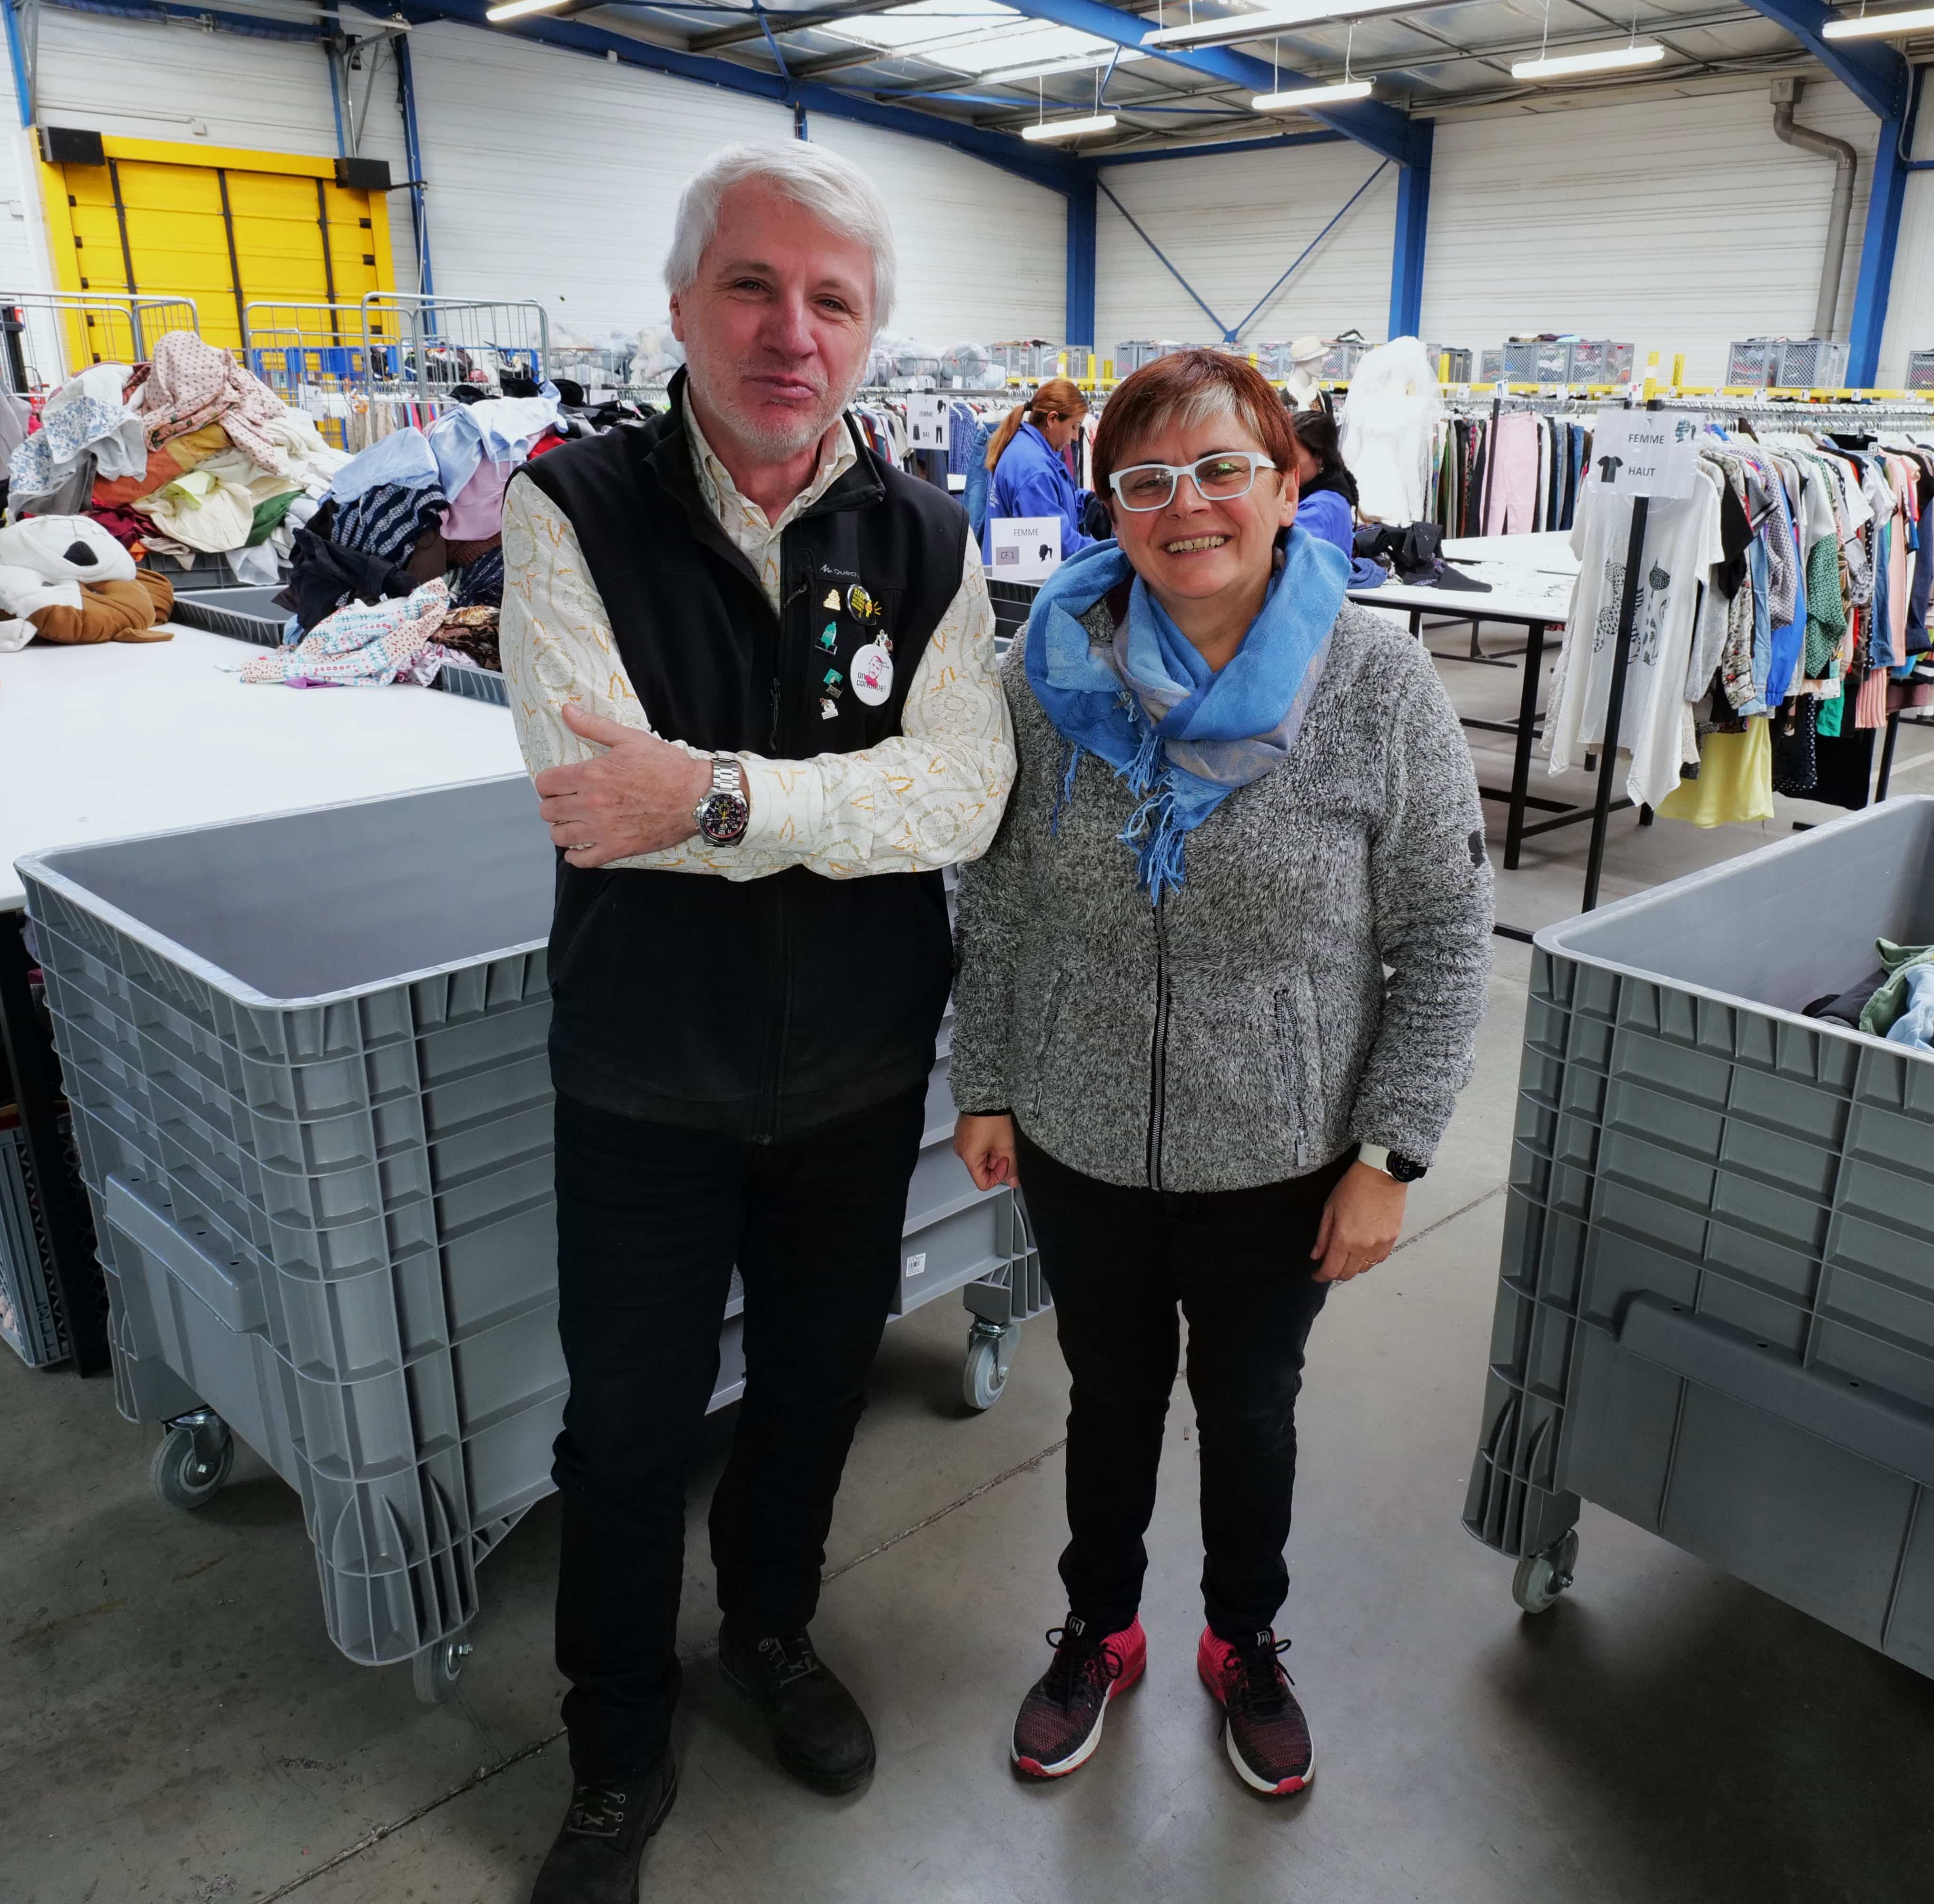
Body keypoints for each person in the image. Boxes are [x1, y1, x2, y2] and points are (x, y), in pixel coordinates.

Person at [503, 141, 1016, 1904]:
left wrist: (715, 801)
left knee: (811, 1386)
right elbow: (588, 791)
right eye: (752, 285)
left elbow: (961, 796)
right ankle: (616, 1747)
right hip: (645, 1072)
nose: (790, 330)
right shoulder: (568, 509)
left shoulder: (925, 535)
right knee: (628, 1430)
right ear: (678, 306)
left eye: (832, 299)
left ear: (871, 332)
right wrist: (823, 797)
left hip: (859, 1069)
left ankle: (774, 1634)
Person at [947, 350, 1492, 1799]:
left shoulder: (1375, 683)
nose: (1184, 506)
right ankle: (1099, 1625)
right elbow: (992, 896)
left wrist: (1389, 1153)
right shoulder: (1040, 673)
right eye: (1145, 480)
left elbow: (1443, 938)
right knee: (1108, 1395)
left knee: (1249, 1408)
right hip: (1077, 1129)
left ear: (1285, 484)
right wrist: (986, 1079)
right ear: (1106, 506)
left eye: (1219, 470)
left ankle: (1243, 1636)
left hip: (1283, 1153)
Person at [982, 377, 1096, 568]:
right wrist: (1108, 550)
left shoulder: (1025, 446)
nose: (1076, 437)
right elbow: (1060, 542)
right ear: (1052, 419)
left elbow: (1053, 502)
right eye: (1074, 427)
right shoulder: (1035, 469)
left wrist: (1086, 501)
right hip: (1023, 586)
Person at [1285, 407, 1386, 586]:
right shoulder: (1328, 495)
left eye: (1293, 457)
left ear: (1320, 457)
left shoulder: (1319, 509)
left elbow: (1279, 556)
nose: (1286, 465)